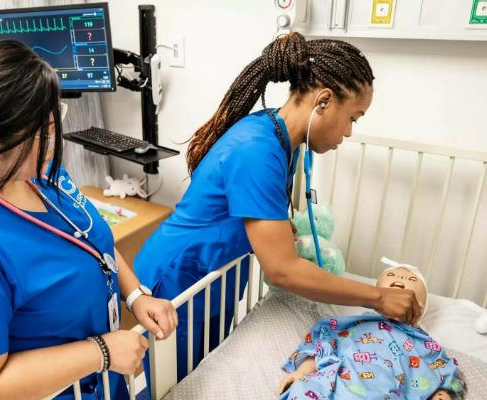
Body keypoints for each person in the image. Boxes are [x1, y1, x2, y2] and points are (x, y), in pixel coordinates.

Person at [133, 32, 423, 381]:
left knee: (205, 374)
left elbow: (259, 215)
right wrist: (377, 297)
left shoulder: (283, 138)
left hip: (215, 277)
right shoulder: (257, 149)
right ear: (324, 101)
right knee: (170, 384)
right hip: (177, 281)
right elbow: (283, 269)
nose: (348, 132)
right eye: (353, 118)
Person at [0, 40, 178, 400]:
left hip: (93, 379)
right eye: (43, 130)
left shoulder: (38, 173)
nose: (54, 139)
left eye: (54, 120)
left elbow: (91, 241)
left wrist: (136, 295)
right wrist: (101, 352)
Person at [277, 258, 464, 400]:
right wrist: (302, 373)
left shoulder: (424, 344)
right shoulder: (352, 324)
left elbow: (447, 373)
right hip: (334, 384)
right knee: (304, 389)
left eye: (411, 279)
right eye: (391, 275)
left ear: (421, 307)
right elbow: (320, 348)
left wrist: (443, 394)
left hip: (385, 393)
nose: (399, 277)